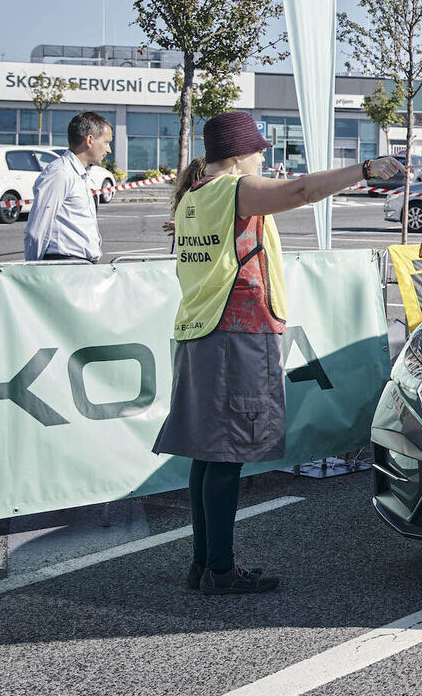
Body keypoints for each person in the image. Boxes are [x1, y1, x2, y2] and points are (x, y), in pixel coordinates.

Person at [152, 110, 401, 596]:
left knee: (208, 455)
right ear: (241, 153)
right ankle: (219, 571)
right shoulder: (232, 189)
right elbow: (302, 192)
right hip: (237, 331)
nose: (263, 157)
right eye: (259, 150)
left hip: (201, 330)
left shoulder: (193, 197)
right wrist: (365, 171)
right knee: (226, 456)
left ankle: (204, 564)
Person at [24, 111, 114, 263]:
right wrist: (33, 270)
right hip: (64, 265)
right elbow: (38, 228)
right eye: (106, 142)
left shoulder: (82, 175)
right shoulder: (61, 173)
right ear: (90, 140)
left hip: (81, 266)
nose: (109, 150)